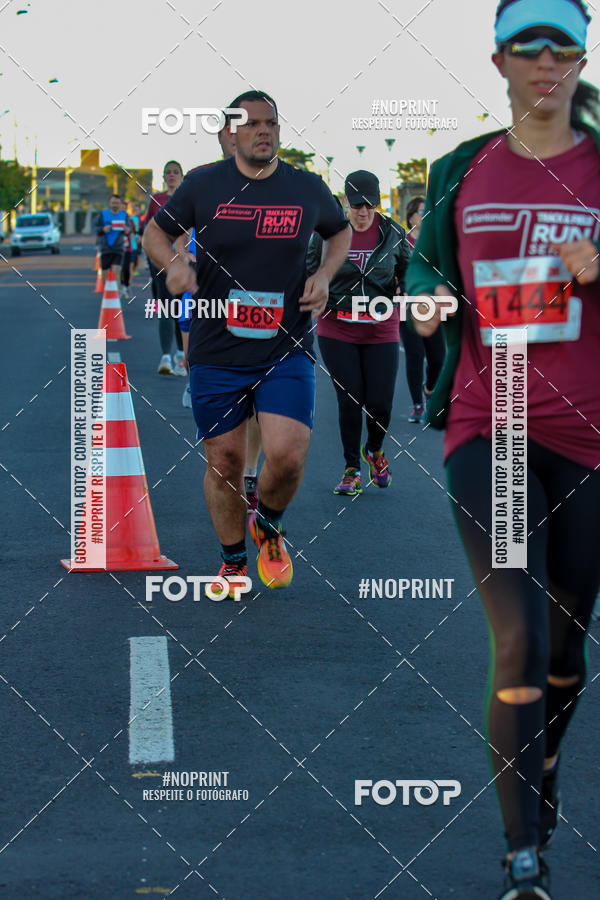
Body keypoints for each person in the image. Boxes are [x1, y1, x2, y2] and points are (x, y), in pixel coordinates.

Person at [406, 1, 600, 897]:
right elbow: (425, 264)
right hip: (497, 422)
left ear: (582, 56)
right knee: (517, 639)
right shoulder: (462, 167)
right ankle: (523, 854)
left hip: (592, 439)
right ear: (500, 60)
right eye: (532, 47)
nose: (549, 63)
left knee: (565, 646)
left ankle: (545, 762)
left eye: (566, 47)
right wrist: (428, 299)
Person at [143, 90, 351, 597]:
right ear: (230, 133)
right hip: (218, 345)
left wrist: (325, 274)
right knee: (226, 462)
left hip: (286, 344)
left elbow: (339, 232)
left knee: (288, 455)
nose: (264, 131)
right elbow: (155, 233)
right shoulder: (204, 185)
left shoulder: (305, 187)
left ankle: (270, 526)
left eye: (272, 123)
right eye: (253, 124)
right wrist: (173, 265)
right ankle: (233, 560)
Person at [307, 170, 410, 494]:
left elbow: (410, 270)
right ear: (347, 204)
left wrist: (408, 292)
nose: (363, 212)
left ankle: (374, 449)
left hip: (381, 327)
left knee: (380, 402)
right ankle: (351, 468)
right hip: (337, 325)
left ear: (377, 204)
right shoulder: (327, 234)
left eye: (369, 205)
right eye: (356, 205)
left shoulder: (393, 233)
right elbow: (308, 269)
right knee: (349, 398)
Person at [400, 195, 445, 423]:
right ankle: (417, 404)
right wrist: (399, 287)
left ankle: (428, 389)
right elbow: (393, 270)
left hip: (433, 308)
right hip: (407, 308)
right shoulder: (402, 242)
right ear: (411, 216)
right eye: (420, 210)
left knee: (438, 357)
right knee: (415, 355)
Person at [144, 160, 186, 376]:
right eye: (167, 172)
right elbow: (148, 232)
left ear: (182, 175)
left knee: (182, 309)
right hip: (161, 262)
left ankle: (181, 354)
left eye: (175, 172)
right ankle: (165, 357)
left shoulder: (189, 199)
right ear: (163, 176)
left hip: (185, 262)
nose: (171, 175)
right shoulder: (156, 200)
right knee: (165, 307)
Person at [94, 194, 131, 286]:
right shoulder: (103, 214)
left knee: (116, 271)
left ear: (120, 204)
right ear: (110, 203)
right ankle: (107, 292)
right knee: (104, 275)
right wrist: (103, 229)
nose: (115, 205)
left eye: (117, 203)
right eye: (113, 203)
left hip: (118, 247)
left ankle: (117, 295)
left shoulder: (124, 215)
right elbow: (96, 228)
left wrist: (127, 230)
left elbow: (129, 228)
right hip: (105, 247)